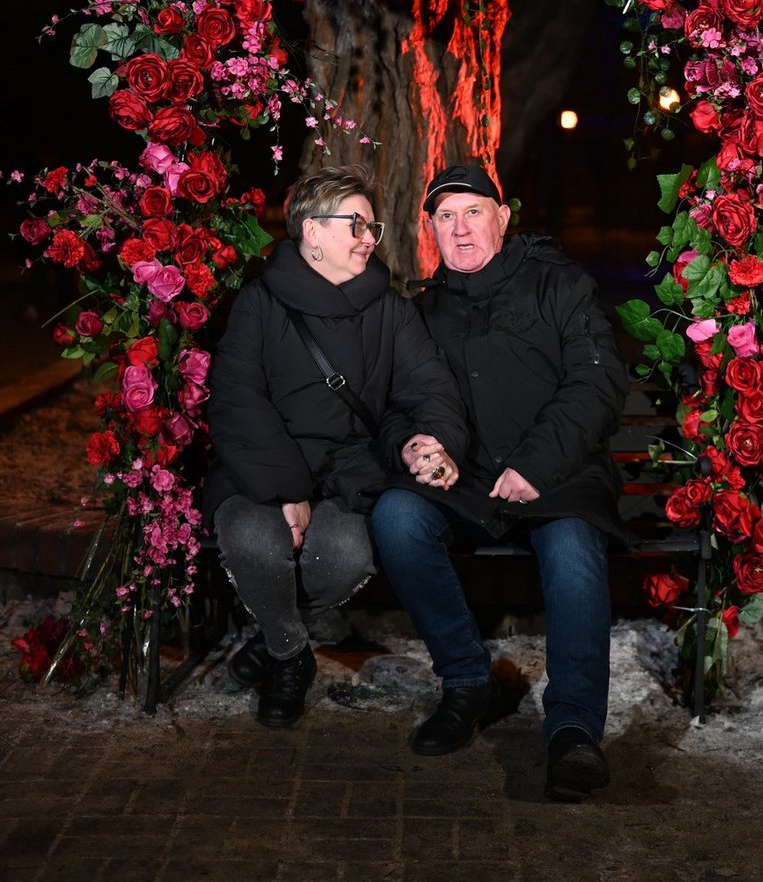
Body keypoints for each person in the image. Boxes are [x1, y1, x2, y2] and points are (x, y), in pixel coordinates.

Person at [370, 163, 629, 803]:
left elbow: (597, 383)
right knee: (397, 518)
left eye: (473, 212)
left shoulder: (557, 284)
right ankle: (467, 683)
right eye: (445, 217)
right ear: (429, 229)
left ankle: (572, 731)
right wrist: (416, 445)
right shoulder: (422, 310)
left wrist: (537, 464)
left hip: (558, 476)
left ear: (502, 217)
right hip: (468, 481)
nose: (460, 230)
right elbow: (395, 403)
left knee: (572, 553)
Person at [203, 163, 468, 728]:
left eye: (371, 228)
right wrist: (286, 489)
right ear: (312, 232)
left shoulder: (389, 309)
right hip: (263, 465)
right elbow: (236, 399)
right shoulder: (259, 303)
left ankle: (277, 638)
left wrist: (431, 439)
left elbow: (431, 389)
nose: (369, 238)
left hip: (349, 472)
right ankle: (291, 658)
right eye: (356, 224)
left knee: (345, 558)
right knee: (252, 539)